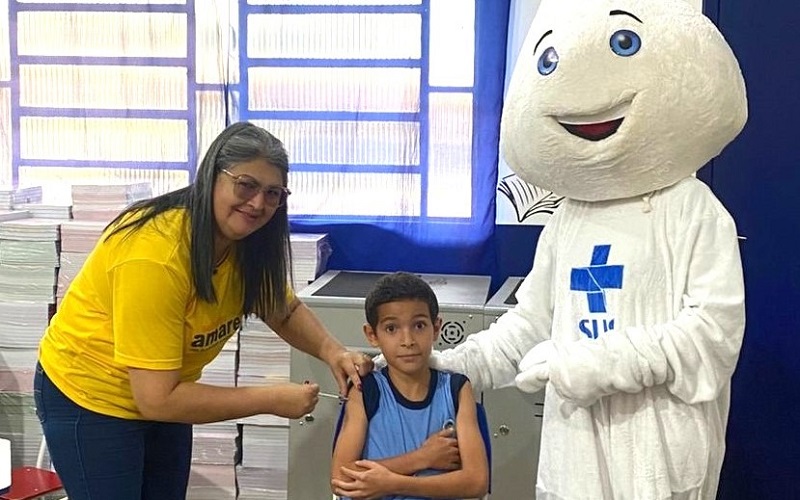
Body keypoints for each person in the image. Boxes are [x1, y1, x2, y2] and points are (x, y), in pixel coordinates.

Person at [429, 1, 748, 499]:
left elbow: (712, 334)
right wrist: (445, 366)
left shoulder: (692, 208)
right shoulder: (568, 218)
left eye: (625, 46)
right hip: (574, 452)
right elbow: (530, 327)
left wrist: (598, 364)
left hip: (657, 451)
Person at [34, 121, 372, 500]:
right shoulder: (155, 256)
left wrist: (333, 351)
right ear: (212, 175)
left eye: (273, 193)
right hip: (92, 396)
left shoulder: (246, 240)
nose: (258, 203)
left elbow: (282, 307)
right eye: (246, 185)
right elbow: (156, 399)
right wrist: (269, 399)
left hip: (168, 393)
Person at [331, 272, 489, 500]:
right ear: (372, 335)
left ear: (436, 329)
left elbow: (476, 482)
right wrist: (422, 458)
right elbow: (342, 478)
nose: (408, 340)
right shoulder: (366, 390)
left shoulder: (456, 389)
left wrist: (393, 483)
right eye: (392, 329)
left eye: (419, 325)